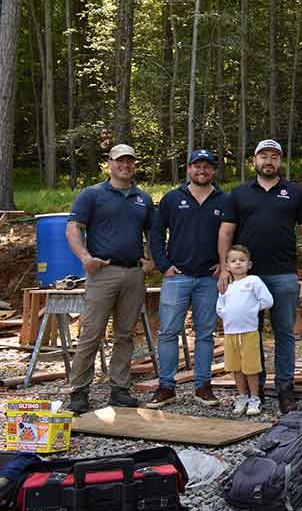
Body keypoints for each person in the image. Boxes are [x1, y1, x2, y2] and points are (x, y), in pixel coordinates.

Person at [218, 139, 302, 414]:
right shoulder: (238, 194)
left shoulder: (294, 193)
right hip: (246, 279)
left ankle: (285, 389)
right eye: (264, 156)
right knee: (252, 335)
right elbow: (225, 232)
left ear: (280, 162)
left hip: (284, 275)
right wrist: (225, 267)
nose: (269, 161)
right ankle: (255, 390)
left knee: (285, 334)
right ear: (254, 161)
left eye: (274, 156)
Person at [64, 144, 155, 414]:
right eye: (119, 161)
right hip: (102, 272)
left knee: (125, 334)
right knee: (91, 333)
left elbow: (153, 233)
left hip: (133, 273)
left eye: (129, 161)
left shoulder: (143, 199)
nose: (125, 166)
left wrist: (151, 260)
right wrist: (85, 257)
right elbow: (73, 228)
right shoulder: (92, 195)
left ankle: (120, 389)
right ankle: (79, 391)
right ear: (110, 164)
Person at [146, 149, 228, 409]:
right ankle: (166, 387)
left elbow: (233, 234)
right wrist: (163, 265)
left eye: (207, 166)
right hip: (177, 276)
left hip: (209, 278)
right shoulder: (172, 198)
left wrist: (224, 264)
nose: (201, 170)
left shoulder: (225, 200)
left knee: (206, 334)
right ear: (189, 169)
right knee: (169, 332)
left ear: (214, 170)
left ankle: (203, 387)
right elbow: (156, 234)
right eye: (197, 166)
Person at [217, 245, 274, 416]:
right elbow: (220, 307)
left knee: (251, 366)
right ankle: (242, 396)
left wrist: (251, 310)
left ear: (249, 264)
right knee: (236, 367)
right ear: (227, 266)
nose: (238, 264)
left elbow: (267, 300)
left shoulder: (254, 281)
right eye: (233, 261)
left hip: (249, 331)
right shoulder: (227, 286)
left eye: (242, 260)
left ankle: (254, 397)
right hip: (230, 332)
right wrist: (227, 314)